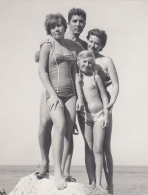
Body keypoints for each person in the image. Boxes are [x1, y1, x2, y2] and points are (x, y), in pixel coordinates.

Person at [35, 8, 87, 182]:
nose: (57, 29)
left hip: (70, 93)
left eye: (60, 26)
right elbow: (41, 68)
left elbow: (78, 71)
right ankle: (47, 164)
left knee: (67, 129)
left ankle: (64, 171)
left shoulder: (76, 46)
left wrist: (79, 97)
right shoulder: (47, 43)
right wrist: (53, 95)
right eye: (54, 27)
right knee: (48, 125)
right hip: (52, 91)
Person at [86, 28, 119, 194]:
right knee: (90, 147)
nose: (93, 45)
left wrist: (110, 104)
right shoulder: (82, 57)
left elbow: (116, 84)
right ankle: (93, 183)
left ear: (102, 46)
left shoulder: (106, 60)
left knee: (105, 148)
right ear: (87, 40)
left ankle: (110, 185)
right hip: (86, 110)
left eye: (97, 43)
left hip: (103, 108)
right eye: (91, 41)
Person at [77, 50, 109, 192]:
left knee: (98, 149)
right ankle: (91, 180)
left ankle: (99, 183)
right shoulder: (77, 78)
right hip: (84, 116)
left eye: (90, 62)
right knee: (88, 148)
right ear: (78, 63)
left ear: (94, 64)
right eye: (84, 62)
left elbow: (104, 96)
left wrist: (107, 114)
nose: (87, 64)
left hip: (99, 115)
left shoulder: (95, 78)